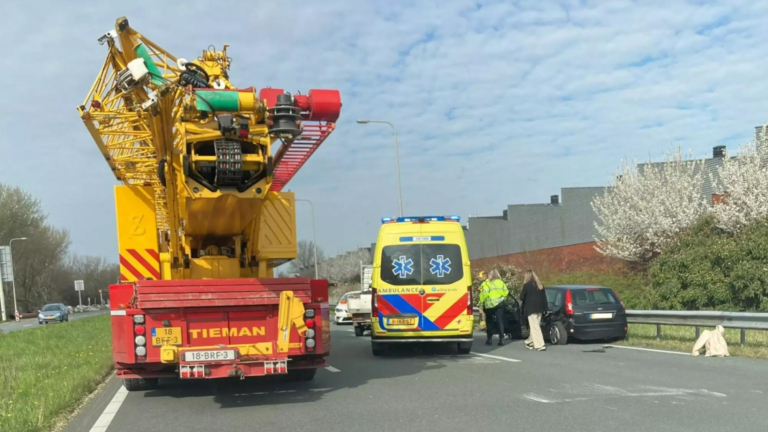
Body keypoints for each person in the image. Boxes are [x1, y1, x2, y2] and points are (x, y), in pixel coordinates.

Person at [479, 269, 509, 346]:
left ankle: (489, 339)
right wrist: (501, 298)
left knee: (489, 322)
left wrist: (481, 302)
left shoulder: (487, 283)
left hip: (489, 305)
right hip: (500, 304)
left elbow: (484, 293)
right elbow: (506, 292)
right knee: (500, 321)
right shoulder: (501, 282)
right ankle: (501, 339)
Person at [519, 269, 547, 351]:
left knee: (535, 327)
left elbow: (521, 297)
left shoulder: (526, 286)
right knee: (535, 326)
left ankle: (540, 345)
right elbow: (544, 298)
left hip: (531, 309)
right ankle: (530, 342)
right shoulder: (540, 285)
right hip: (540, 309)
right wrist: (546, 308)